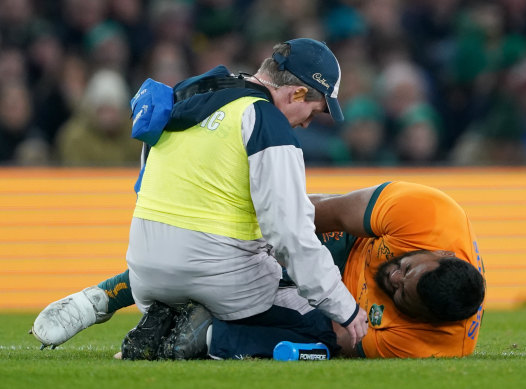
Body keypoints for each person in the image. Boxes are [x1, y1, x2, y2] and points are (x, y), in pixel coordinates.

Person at [49, 38, 367, 353]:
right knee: (330, 333)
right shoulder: (266, 121)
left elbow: (144, 181)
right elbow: (290, 233)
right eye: (316, 110)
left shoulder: (187, 93)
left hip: (145, 274)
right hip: (221, 281)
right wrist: (345, 309)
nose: (309, 122)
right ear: (296, 92)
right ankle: (210, 335)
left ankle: (164, 316)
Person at [32, 180, 485, 359]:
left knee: (325, 339)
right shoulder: (431, 215)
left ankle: (200, 335)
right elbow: (321, 211)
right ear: (442, 254)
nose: (394, 277)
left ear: (422, 318)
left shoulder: (429, 345)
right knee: (229, 249)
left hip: (342, 311)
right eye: (406, 266)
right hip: (340, 240)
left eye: (402, 295)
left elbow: (346, 344)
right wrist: (252, 237)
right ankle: (102, 299)